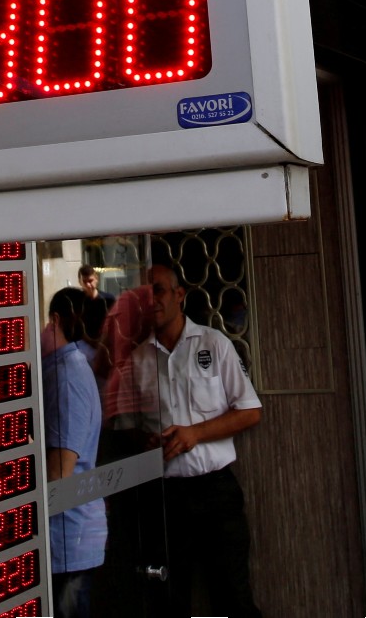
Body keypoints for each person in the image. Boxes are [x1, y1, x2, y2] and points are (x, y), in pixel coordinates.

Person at [132, 261, 262, 617]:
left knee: (232, 596)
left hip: (215, 492)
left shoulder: (213, 343)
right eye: (145, 293)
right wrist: (149, 443)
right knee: (169, 600)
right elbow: (133, 428)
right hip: (165, 496)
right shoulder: (138, 358)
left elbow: (251, 411)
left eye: (158, 290)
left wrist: (195, 434)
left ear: (179, 295)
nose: (151, 300)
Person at [44, 287, 107, 617]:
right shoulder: (66, 368)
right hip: (73, 533)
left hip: (70, 537)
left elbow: (59, 472)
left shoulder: (67, 376)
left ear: (54, 320)